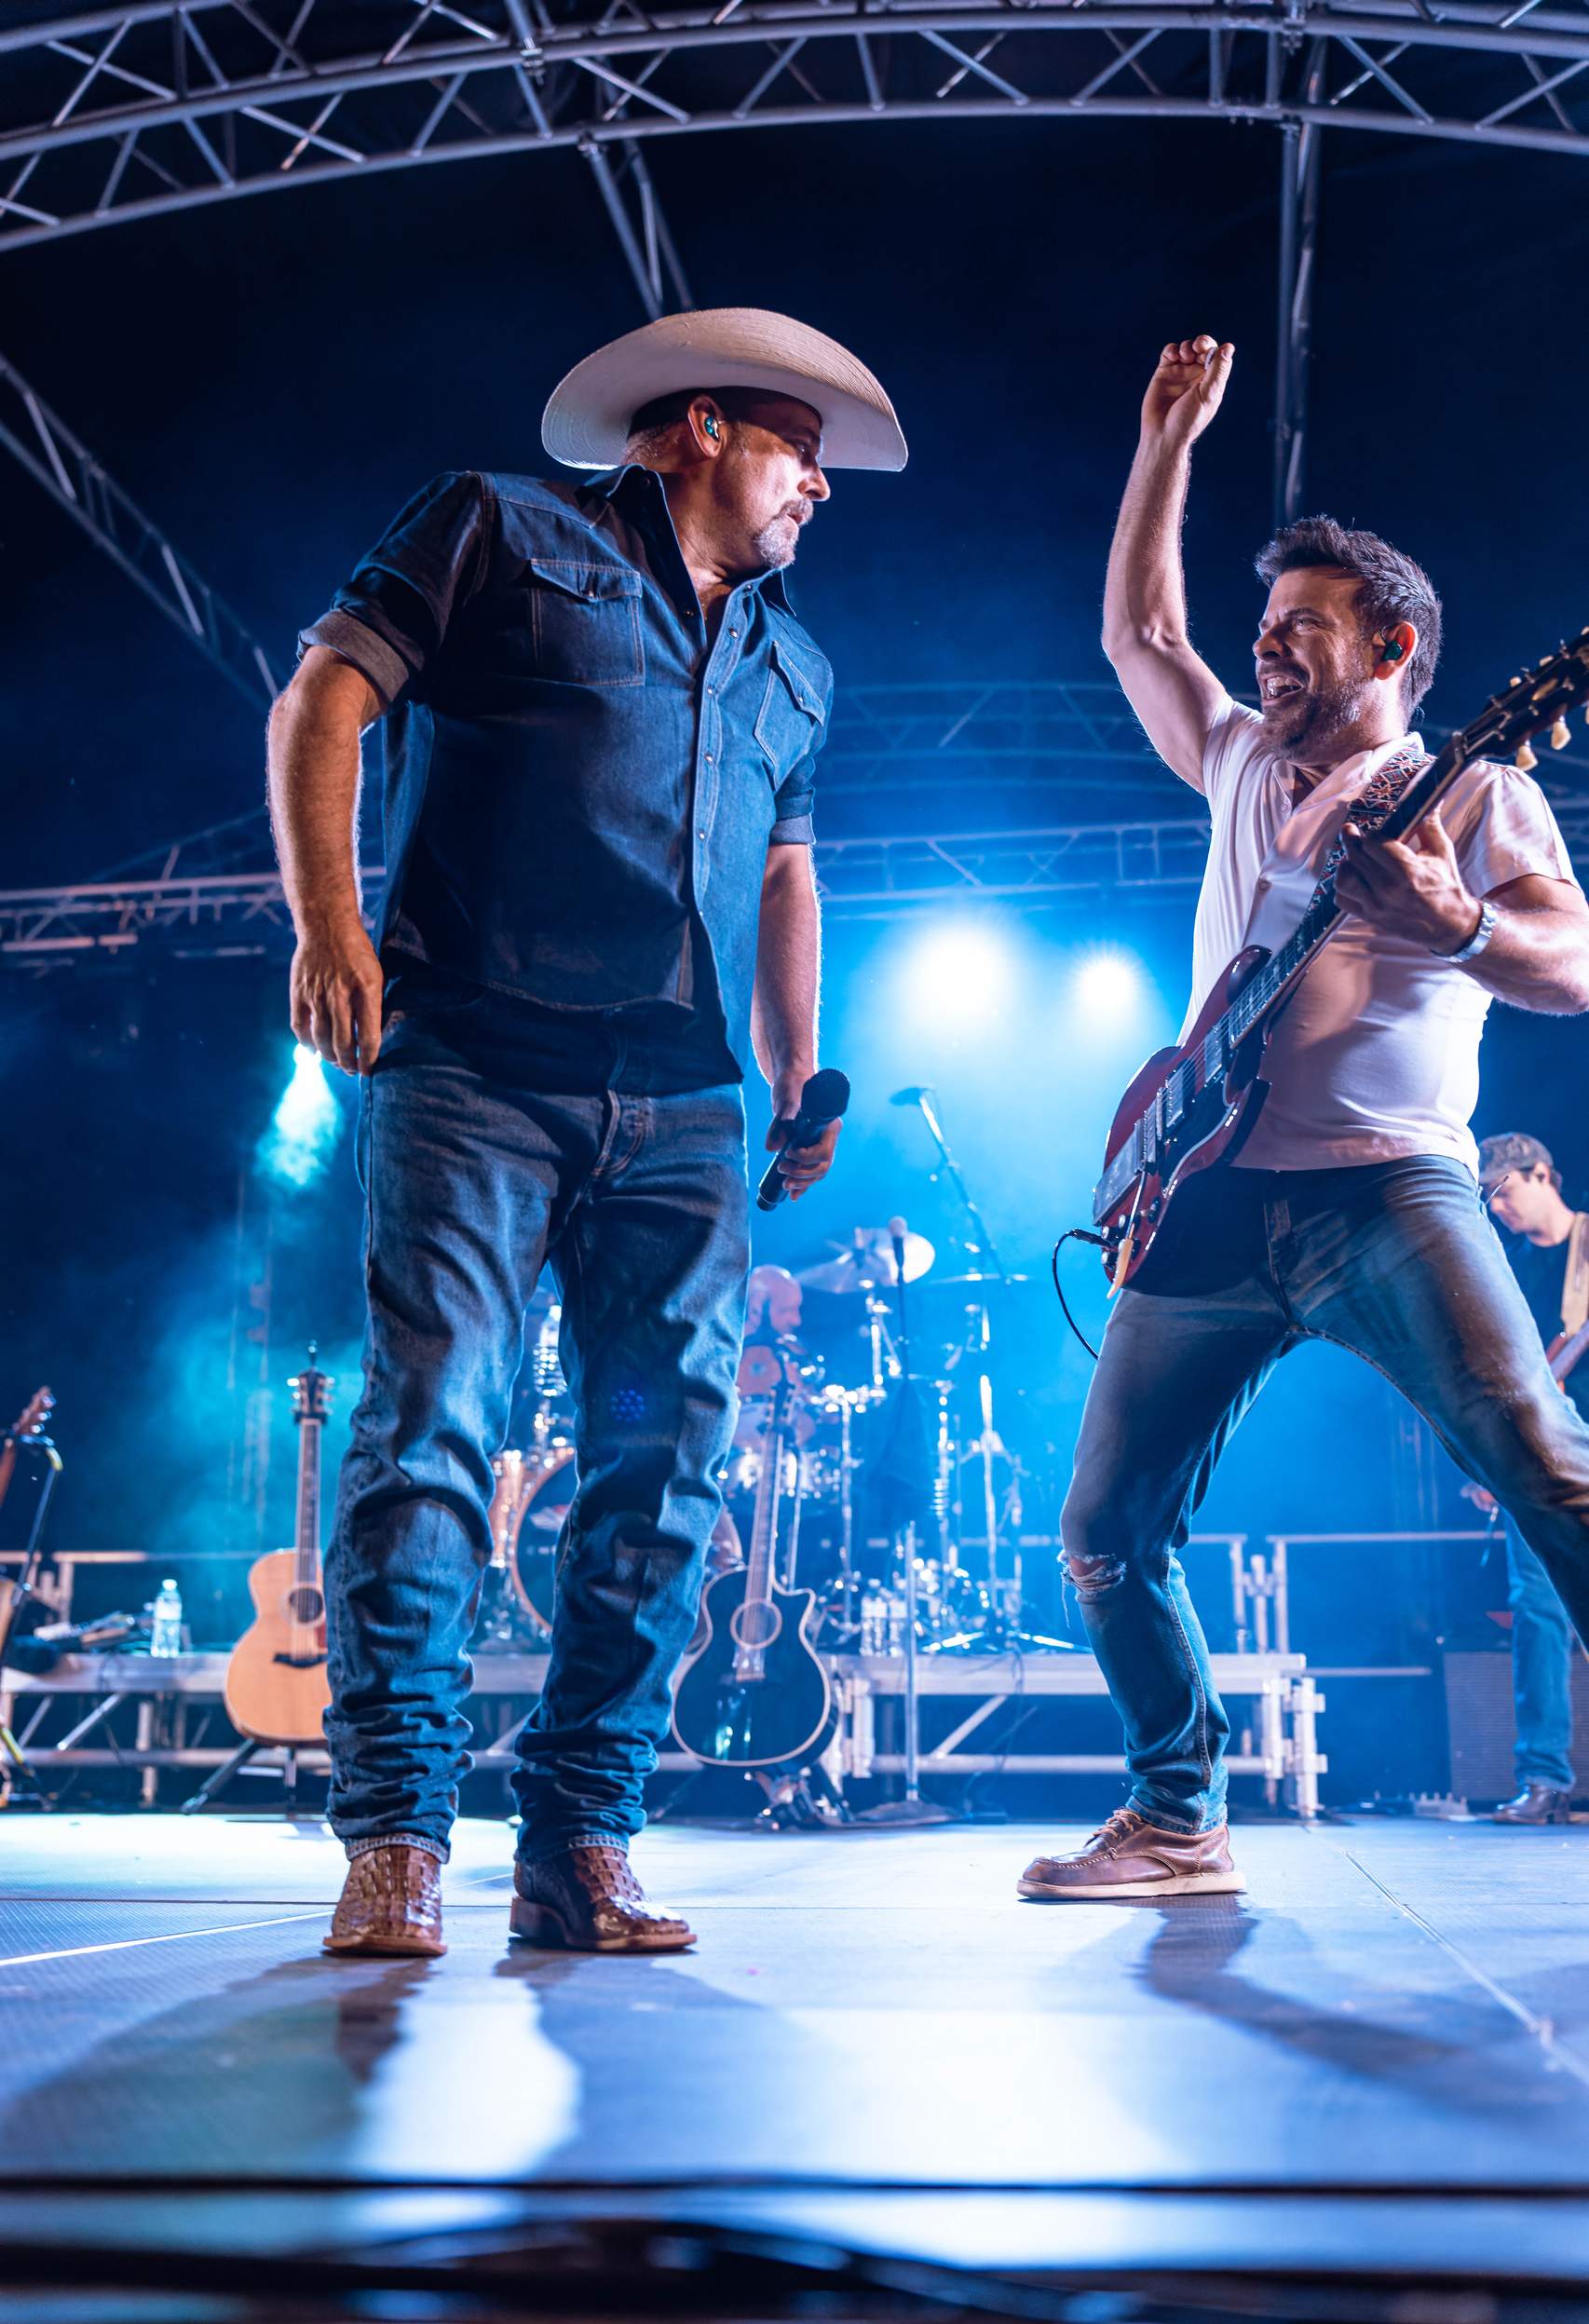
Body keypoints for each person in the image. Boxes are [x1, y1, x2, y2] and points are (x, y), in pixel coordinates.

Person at [267, 308, 905, 1957]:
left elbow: (781, 870)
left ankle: (580, 1839)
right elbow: (325, 698)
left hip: (686, 1103)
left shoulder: (797, 665)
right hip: (475, 1064)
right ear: (698, 427)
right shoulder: (494, 526)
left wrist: (794, 1069)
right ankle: (399, 1837)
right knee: (432, 1433)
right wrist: (328, 924)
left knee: (670, 1456)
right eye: (800, 455)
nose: (819, 495)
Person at [1020, 333, 1589, 1902]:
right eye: (1263, 628)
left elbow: (1573, 962)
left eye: (1301, 632)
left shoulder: (1473, 795)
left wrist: (1453, 925)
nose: (1265, 652)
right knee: (1102, 1533)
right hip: (1205, 1201)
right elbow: (1142, 630)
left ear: (1393, 645)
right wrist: (1162, 443)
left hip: (1389, 1195)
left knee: (1550, 1462)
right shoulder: (1237, 770)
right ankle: (1177, 1816)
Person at [1472, 1133, 1589, 1822]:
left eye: (1505, 1192)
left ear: (1542, 1173)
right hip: (1538, 1459)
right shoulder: (1503, 1268)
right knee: (1538, 1614)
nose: (1499, 1209)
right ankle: (1544, 1779)